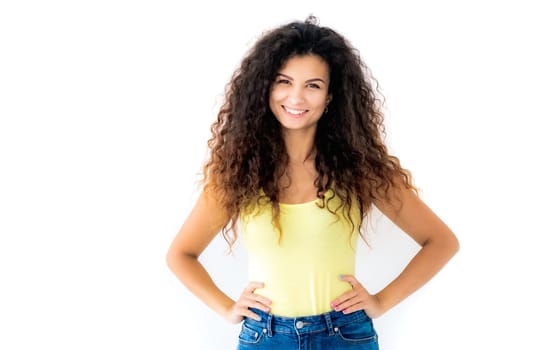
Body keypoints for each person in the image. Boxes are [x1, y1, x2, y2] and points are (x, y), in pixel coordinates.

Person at [166, 15, 459, 349]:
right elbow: (181, 254)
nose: (296, 97)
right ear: (266, 88)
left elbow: (441, 241)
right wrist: (228, 309)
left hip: (344, 336)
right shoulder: (236, 173)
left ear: (330, 96)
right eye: (284, 81)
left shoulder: (361, 169)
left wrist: (380, 301)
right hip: (265, 337)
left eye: (313, 85)